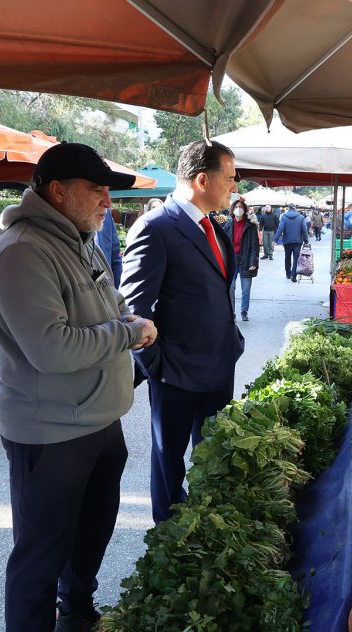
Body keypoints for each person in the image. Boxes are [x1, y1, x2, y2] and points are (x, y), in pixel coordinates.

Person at [0, 143, 158, 632]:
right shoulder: (22, 251)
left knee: (90, 535)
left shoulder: (80, 239)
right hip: (50, 430)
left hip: (100, 419)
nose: (108, 202)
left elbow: (105, 301)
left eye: (108, 191)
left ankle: (76, 614)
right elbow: (52, 350)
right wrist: (128, 332)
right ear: (58, 191)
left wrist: (123, 316)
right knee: (40, 557)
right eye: (97, 190)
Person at [120, 140, 243, 525]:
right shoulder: (155, 228)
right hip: (176, 373)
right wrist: (158, 365)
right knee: (169, 463)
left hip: (219, 366)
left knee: (215, 458)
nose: (235, 187)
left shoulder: (215, 227)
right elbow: (132, 310)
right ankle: (170, 536)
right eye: (230, 178)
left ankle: (208, 527)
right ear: (203, 179)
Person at [224, 199, 259, 321]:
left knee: (245, 289)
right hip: (232, 260)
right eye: (236, 206)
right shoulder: (228, 225)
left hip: (246, 260)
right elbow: (223, 244)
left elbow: (255, 246)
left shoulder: (250, 226)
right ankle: (231, 312)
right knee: (230, 288)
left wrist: (253, 262)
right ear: (233, 209)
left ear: (244, 210)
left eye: (241, 207)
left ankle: (244, 311)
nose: (238, 208)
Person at [274, 202, 309, 282]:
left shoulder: (284, 217)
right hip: (297, 241)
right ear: (295, 208)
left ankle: (288, 274)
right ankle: (294, 275)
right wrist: (306, 241)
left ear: (288, 208)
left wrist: (275, 239)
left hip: (287, 241)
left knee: (287, 257)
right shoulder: (301, 217)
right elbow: (304, 230)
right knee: (296, 258)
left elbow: (280, 229)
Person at [96, 209, 124, 289]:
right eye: (98, 195)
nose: (108, 203)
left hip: (107, 290)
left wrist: (117, 293)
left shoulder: (106, 213)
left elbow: (115, 259)